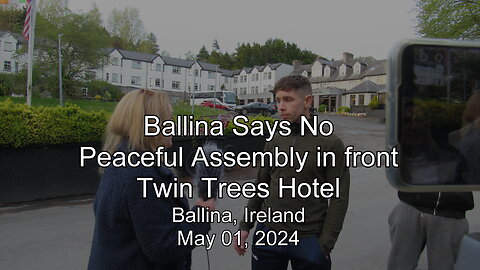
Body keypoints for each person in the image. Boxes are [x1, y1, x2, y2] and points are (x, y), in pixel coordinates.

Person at [88, 89, 215, 270]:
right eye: (168, 119)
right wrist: (202, 213)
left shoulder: (120, 161)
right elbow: (164, 247)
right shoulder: (140, 174)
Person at [233, 75, 350, 270]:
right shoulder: (275, 139)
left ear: (307, 101)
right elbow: (262, 184)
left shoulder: (330, 144)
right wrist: (245, 226)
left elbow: (339, 198)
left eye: (288, 99)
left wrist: (324, 245)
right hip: (268, 235)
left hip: (308, 239)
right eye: (278, 100)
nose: (281, 107)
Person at [388, 101, 474, 270]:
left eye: (419, 120)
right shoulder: (406, 147)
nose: (413, 125)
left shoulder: (454, 145)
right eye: (407, 121)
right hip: (410, 205)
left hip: (451, 212)